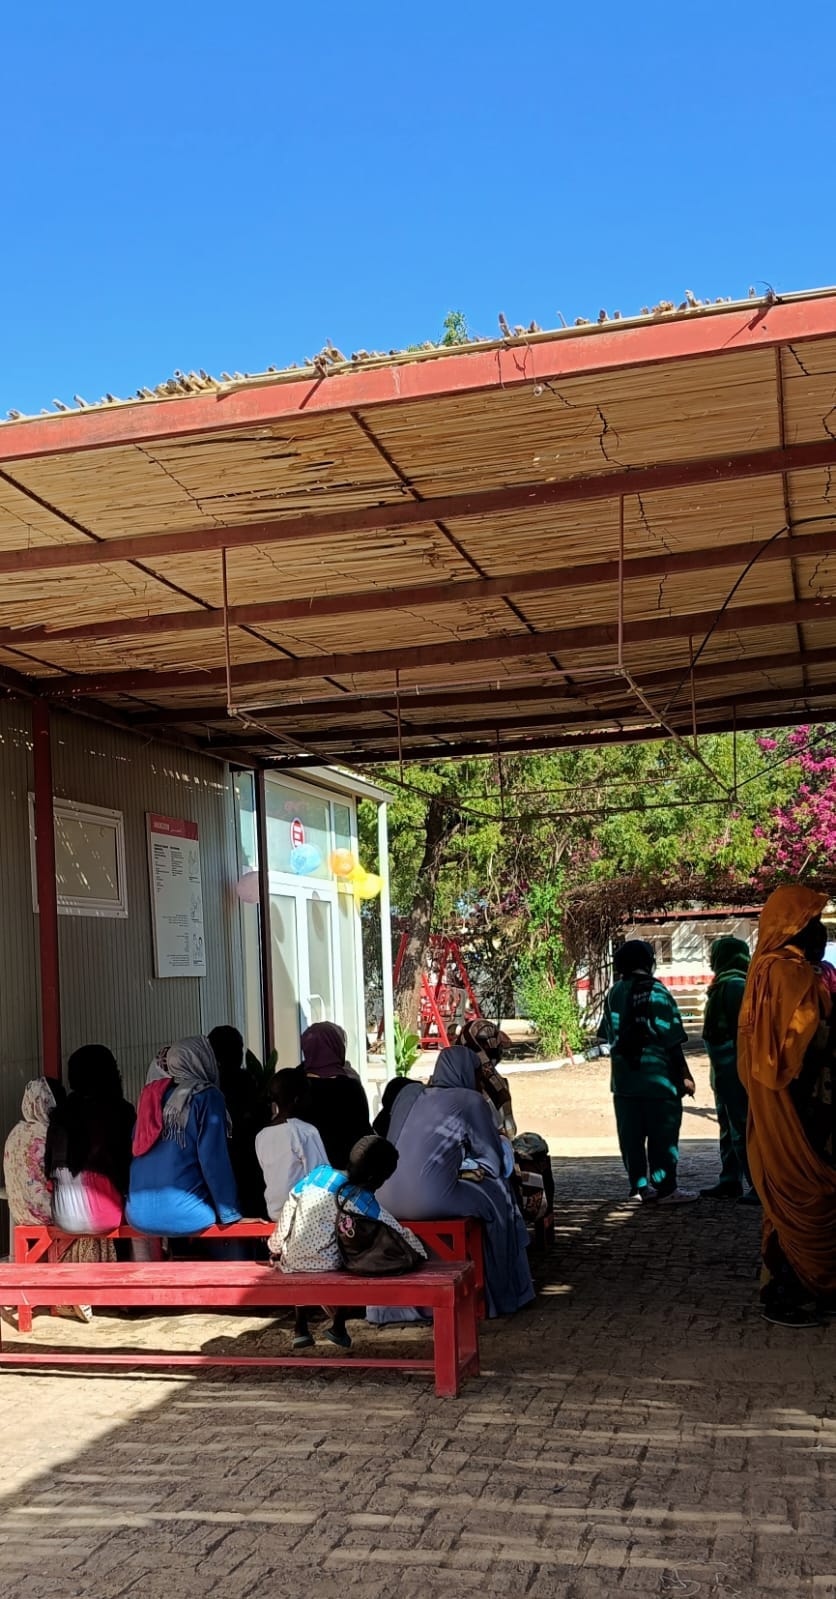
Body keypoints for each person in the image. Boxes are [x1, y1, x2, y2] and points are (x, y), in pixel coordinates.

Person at [373, 1046, 535, 1318]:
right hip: (431, 1198)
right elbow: (493, 1162)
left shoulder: (408, 1094)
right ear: (468, 1073)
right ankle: (501, 1291)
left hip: (385, 1196)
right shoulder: (470, 1100)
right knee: (499, 1192)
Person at [738, 885, 836, 1327]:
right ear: (792, 927)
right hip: (802, 1107)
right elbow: (800, 1048)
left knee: (796, 1195)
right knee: (804, 1195)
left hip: (790, 1107)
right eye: (812, 922)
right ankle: (788, 1292)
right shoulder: (787, 974)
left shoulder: (768, 971)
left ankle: (806, 1287)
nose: (820, 932)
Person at [269, 1134, 425, 1348]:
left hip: (292, 1261)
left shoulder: (317, 1174)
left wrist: (276, 1246)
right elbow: (392, 1227)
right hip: (328, 1267)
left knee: (303, 1256)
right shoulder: (359, 1198)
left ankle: (300, 1328)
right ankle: (338, 1326)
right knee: (351, 1256)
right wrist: (418, 1249)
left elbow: (289, 1209)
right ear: (374, 1177)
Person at [599, 940, 698, 1205]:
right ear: (647, 962)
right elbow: (671, 1038)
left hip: (623, 1081)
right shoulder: (657, 991)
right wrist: (685, 1074)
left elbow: (606, 1034)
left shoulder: (613, 993)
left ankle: (640, 1187)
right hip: (658, 1081)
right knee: (662, 1136)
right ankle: (666, 1188)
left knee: (631, 1138)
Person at [126, 1035, 242, 1240]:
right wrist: (230, 1213)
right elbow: (214, 1162)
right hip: (188, 1216)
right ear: (203, 1060)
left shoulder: (151, 1096)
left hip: (136, 1216)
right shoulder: (207, 1096)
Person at [4, 1078, 98, 1323]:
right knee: (88, 1223)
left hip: (19, 1212)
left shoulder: (15, 1132)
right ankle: (78, 1293)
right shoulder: (47, 1134)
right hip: (44, 1212)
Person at [46, 1045, 135, 1235]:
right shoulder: (119, 1110)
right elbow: (127, 1165)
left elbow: (48, 1167)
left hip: (62, 1216)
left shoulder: (60, 1114)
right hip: (105, 1214)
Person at [701, 936, 756, 1201]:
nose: (711, 960)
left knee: (743, 1129)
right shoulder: (723, 985)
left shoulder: (736, 986)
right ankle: (730, 1180)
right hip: (723, 1073)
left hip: (736, 1071)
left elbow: (744, 1034)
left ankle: (758, 1186)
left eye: (714, 954)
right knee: (728, 1128)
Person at [209, 1025, 269, 1219]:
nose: (241, 1053)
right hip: (249, 1161)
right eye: (238, 1048)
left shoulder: (208, 1084)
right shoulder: (247, 1082)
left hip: (222, 1162)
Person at [255, 1067, 328, 1220]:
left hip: (276, 1214)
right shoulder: (305, 1131)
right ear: (297, 1099)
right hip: (304, 1214)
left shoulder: (261, 1135)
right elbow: (321, 1176)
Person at [300, 1021, 372, 1170]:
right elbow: (363, 1133)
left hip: (304, 1172)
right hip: (344, 1172)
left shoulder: (294, 1085)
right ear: (336, 1047)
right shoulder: (350, 1087)